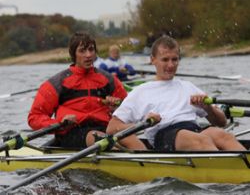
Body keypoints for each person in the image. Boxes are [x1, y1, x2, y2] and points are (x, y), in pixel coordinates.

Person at [106, 36, 246, 151]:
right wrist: (144, 123)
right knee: (202, 140)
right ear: (153, 60)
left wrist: (206, 107)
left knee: (223, 135)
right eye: (165, 60)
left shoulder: (188, 86)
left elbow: (221, 122)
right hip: (164, 135)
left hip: (194, 130)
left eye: (175, 59)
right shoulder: (140, 92)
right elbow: (112, 127)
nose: (171, 65)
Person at [28, 32, 127, 148]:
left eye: (91, 50)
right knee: (96, 136)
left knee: (125, 132)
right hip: (71, 133)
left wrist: (117, 106)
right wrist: (59, 123)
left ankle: (143, 154)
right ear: (73, 54)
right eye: (82, 51)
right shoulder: (56, 83)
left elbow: (129, 108)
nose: (88, 55)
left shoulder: (109, 80)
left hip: (104, 130)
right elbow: (34, 117)